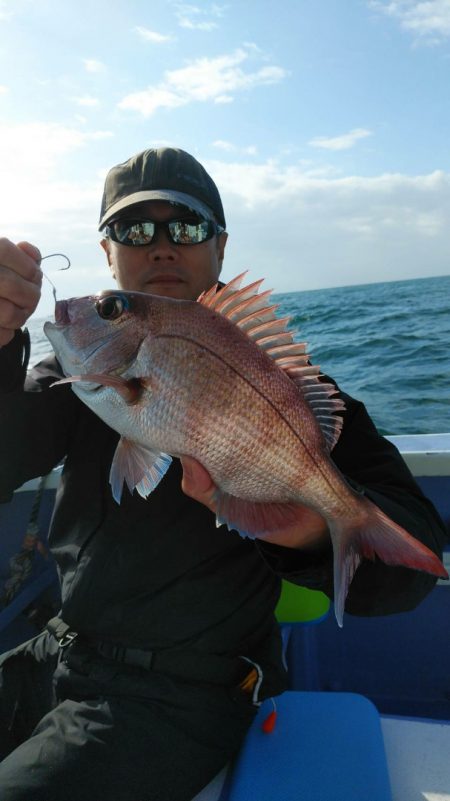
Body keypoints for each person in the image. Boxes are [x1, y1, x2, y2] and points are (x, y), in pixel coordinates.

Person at [0, 147, 447, 801]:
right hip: (58, 651)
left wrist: (311, 530)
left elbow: (412, 565)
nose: (160, 247)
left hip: (189, 692)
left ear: (219, 244)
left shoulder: (294, 392)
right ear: (107, 252)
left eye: (183, 226)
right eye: (133, 229)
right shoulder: (77, 378)